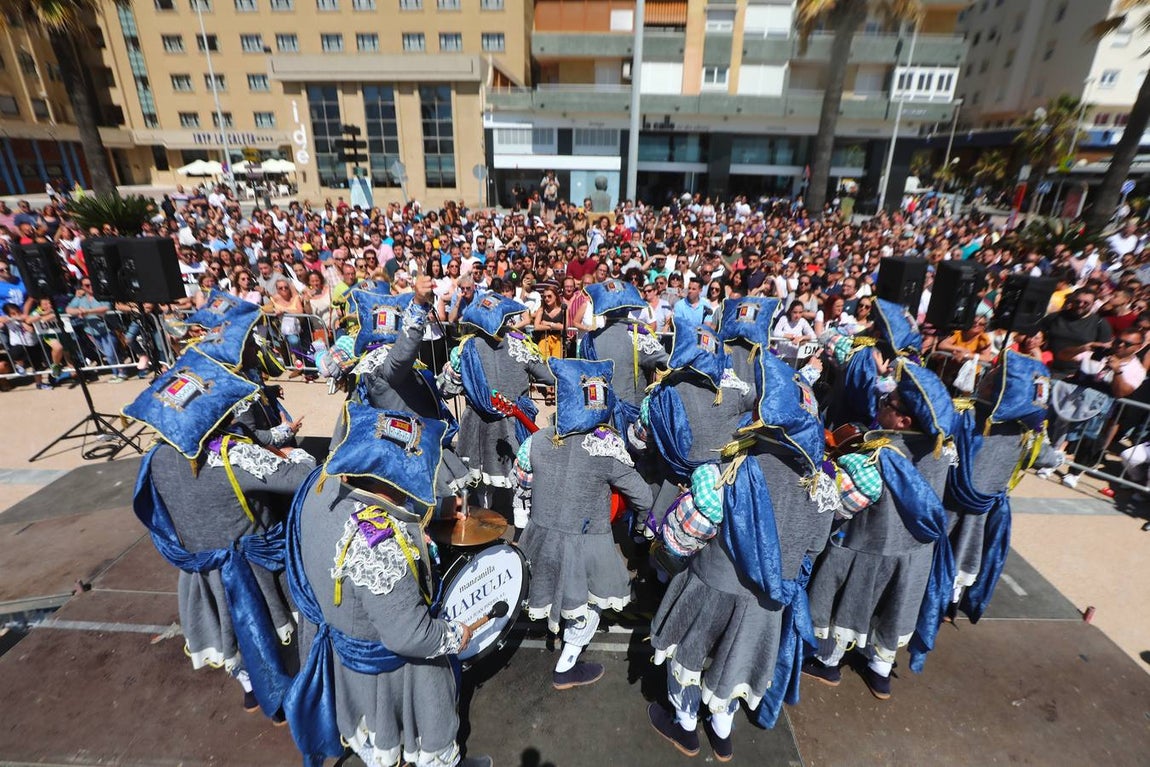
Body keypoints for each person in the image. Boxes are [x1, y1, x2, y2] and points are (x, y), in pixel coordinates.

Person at [647, 352, 838, 759]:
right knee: (736, 661)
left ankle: (684, 728)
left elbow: (689, 531)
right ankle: (721, 733)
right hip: (767, 601)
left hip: (712, 583)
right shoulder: (822, 482)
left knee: (690, 654)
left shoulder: (729, 466)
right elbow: (816, 547)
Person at [286, 403, 491, 767]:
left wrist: (432, 513)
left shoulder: (321, 482)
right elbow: (408, 635)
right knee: (420, 727)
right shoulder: (378, 545)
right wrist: (454, 634)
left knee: (374, 735)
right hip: (387, 663)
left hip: (344, 644)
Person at [126, 348, 316, 722]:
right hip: (254, 568)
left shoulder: (156, 458)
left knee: (231, 630)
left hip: (204, 569)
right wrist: (293, 453)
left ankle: (250, 690)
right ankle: (286, 697)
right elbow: (299, 476)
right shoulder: (231, 454)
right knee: (274, 631)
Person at [805, 360, 957, 700]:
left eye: (890, 403)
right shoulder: (944, 449)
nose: (883, 402)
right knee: (893, 609)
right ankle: (880, 672)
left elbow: (837, 508)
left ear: (904, 421)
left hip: (867, 550)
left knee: (842, 607)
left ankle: (827, 663)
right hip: (915, 554)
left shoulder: (876, 457)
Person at [514, 359, 652, 688]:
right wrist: (639, 530)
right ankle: (566, 665)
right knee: (589, 603)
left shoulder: (536, 441)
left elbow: (521, 484)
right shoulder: (606, 448)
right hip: (587, 545)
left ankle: (555, 625)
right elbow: (644, 497)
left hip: (541, 537)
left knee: (552, 585)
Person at [442, 293, 556, 504]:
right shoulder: (521, 344)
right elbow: (549, 376)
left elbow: (447, 389)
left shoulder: (465, 348)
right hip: (514, 423)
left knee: (483, 486)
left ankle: (485, 520)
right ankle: (520, 527)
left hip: (478, 425)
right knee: (520, 481)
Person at [577, 279, 669, 432]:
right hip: (631, 419)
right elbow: (668, 363)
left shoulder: (589, 339)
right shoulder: (639, 336)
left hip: (596, 417)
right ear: (628, 307)